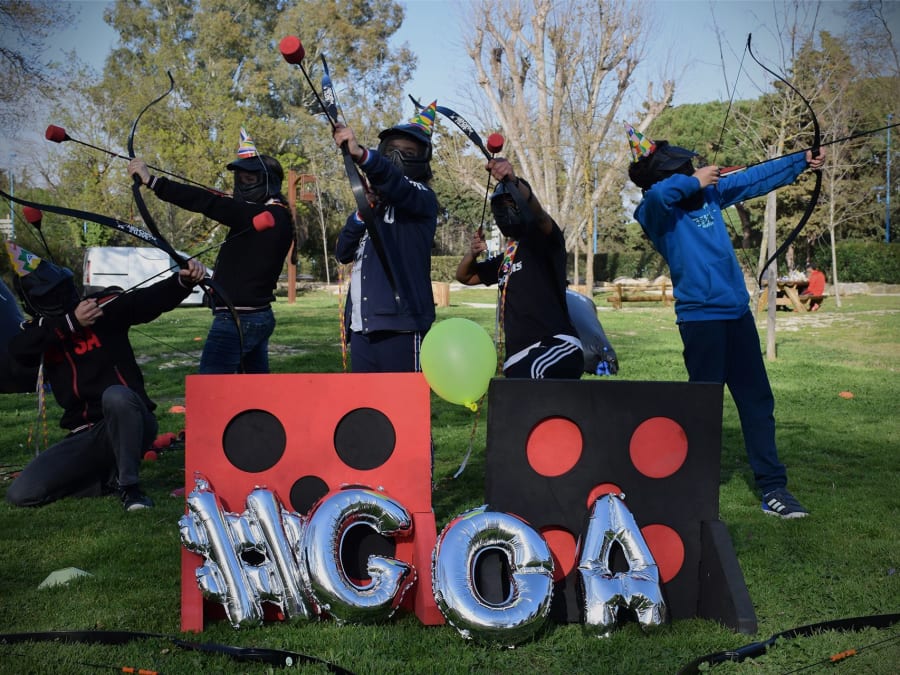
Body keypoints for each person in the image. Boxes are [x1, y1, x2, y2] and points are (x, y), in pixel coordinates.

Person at [625, 123, 826, 519]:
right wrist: (696, 181)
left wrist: (800, 162)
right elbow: (662, 197)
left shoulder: (709, 196)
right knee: (703, 406)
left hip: (735, 315)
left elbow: (754, 177)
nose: (693, 170)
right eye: (684, 169)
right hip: (701, 320)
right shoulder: (655, 209)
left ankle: (773, 488)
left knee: (757, 401)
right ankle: (693, 485)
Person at [4, 241, 206, 510]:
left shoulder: (103, 308)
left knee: (117, 395)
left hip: (133, 420)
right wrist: (71, 323)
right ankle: (107, 479)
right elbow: (19, 351)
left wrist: (181, 282)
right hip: (87, 435)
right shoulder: (40, 331)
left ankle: (130, 488)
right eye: (52, 294)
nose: (64, 297)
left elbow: (146, 300)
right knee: (23, 493)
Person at [128, 128, 295, 374]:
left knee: (210, 393)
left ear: (268, 181)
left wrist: (153, 182)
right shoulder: (267, 213)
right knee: (255, 395)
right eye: (239, 178)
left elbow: (209, 202)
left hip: (239, 319)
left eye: (249, 179)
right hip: (252, 316)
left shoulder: (269, 215)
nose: (241, 184)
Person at [333, 102, 439, 373]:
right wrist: (360, 215)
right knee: (365, 410)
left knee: (402, 410)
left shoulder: (421, 197)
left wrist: (359, 154)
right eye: (392, 150)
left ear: (422, 159)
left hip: (401, 325)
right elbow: (343, 252)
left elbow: (397, 184)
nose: (398, 157)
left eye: (408, 152)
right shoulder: (375, 203)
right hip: (361, 326)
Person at [455, 158, 584, 379]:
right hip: (517, 356)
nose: (506, 212)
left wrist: (513, 181)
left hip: (556, 344)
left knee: (529, 378)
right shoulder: (506, 258)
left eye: (511, 204)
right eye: (500, 207)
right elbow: (465, 277)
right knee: (510, 398)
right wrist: (472, 253)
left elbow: (540, 216)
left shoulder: (545, 242)